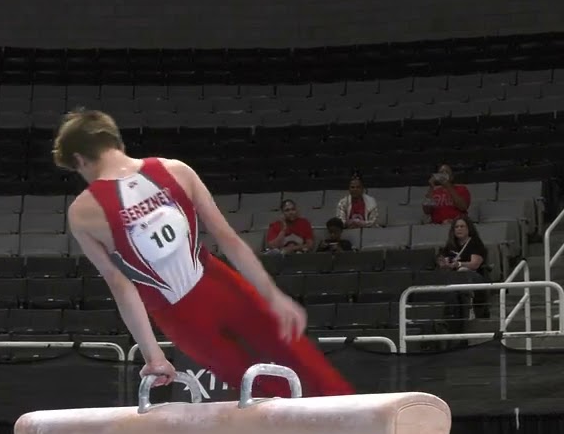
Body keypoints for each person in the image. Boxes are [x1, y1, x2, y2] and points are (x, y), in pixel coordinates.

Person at [53, 109, 354, 396]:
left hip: (177, 315)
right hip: (222, 285)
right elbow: (228, 239)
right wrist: (271, 295)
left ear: (79, 159)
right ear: (115, 141)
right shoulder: (176, 170)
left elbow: (120, 285)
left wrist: (154, 357)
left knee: (259, 389)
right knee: (304, 361)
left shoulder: (82, 212)